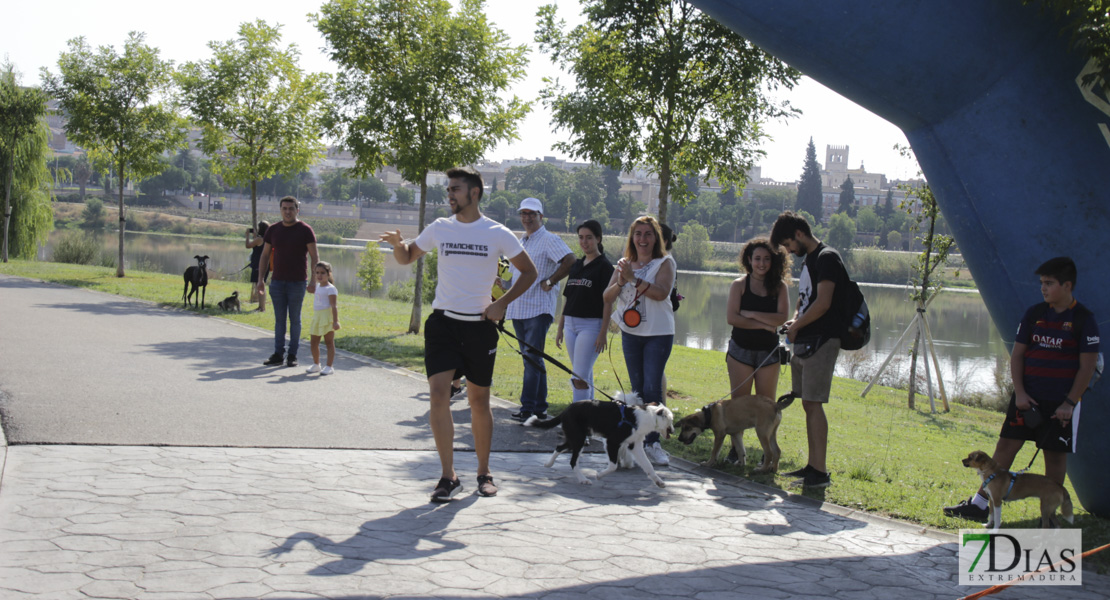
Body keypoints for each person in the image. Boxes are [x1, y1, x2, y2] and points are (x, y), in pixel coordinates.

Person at [380, 166, 537, 502]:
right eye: (448, 190)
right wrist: (397, 245)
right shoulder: (440, 227)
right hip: (443, 325)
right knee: (439, 395)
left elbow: (529, 272)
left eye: (455, 190)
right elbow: (407, 257)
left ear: (474, 193)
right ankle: (448, 476)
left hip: (480, 327)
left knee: (479, 402)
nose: (449, 195)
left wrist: (502, 304)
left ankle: (484, 472)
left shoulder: (497, 233)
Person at [944, 256, 1099, 521]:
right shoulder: (1034, 314)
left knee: (1055, 458)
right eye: (1041, 283)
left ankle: (1050, 516)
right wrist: (1021, 393)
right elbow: (1017, 356)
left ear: (1067, 285)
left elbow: (1087, 368)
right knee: (1004, 448)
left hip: (1061, 404)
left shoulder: (1084, 319)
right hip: (1026, 398)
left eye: (1049, 283)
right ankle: (981, 505)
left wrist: (1069, 404)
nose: (1043, 288)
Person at [770, 211, 850, 488]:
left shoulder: (827, 258)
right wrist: (795, 321)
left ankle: (820, 471)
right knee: (808, 403)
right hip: (806, 339)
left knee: (814, 403)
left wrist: (796, 326)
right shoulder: (811, 262)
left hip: (822, 340)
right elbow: (806, 301)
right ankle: (812, 466)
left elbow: (824, 303)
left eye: (789, 244)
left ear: (799, 235)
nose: (790, 251)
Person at [603, 215, 676, 466]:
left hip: (658, 332)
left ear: (656, 238)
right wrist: (622, 280)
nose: (642, 239)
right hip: (631, 334)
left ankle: (654, 443)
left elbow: (661, 293)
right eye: (638, 234)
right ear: (631, 238)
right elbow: (607, 296)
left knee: (652, 388)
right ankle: (638, 441)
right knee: (637, 390)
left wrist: (634, 279)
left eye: (648, 234)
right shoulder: (624, 264)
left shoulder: (665, 262)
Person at [503, 197, 575, 421]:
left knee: (532, 358)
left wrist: (552, 280)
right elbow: (518, 274)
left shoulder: (548, 239)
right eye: (523, 214)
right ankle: (539, 409)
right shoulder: (522, 241)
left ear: (540, 216)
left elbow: (571, 260)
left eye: (531, 214)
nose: (527, 218)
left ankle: (528, 409)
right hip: (519, 308)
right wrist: (504, 285)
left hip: (537, 308)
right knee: (533, 358)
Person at [724, 238, 792, 464]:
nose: (761, 264)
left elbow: (782, 318)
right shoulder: (738, 285)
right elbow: (732, 318)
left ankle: (768, 454)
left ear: (774, 261)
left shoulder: (780, 287)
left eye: (766, 259)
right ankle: (736, 451)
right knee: (738, 404)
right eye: (757, 259)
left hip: (768, 354)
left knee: (766, 405)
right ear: (749, 260)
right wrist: (764, 324)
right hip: (740, 351)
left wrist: (751, 314)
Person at [555, 220, 615, 402]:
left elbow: (608, 302)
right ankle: (591, 422)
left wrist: (603, 331)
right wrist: (560, 327)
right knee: (583, 375)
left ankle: (577, 423)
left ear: (598, 238)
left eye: (589, 238)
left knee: (578, 378)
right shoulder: (576, 266)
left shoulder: (605, 267)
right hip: (571, 325)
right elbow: (568, 298)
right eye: (581, 237)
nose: (584, 242)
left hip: (591, 326)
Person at [258, 197, 318, 368]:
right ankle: (278, 353)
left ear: (297, 210)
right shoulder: (273, 230)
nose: (288, 211)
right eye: (284, 208)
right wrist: (260, 279)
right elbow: (264, 255)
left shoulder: (306, 230)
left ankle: (292, 355)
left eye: (291, 208)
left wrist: (313, 280)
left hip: (297, 283)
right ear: (280, 210)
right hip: (277, 282)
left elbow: (315, 257)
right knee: (279, 320)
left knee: (295, 320)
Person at [306, 261, 341, 376]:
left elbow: (334, 306)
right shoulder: (317, 287)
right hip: (317, 316)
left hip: (327, 317)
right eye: (317, 273)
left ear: (329, 274)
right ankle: (316, 364)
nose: (319, 275)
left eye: (322, 273)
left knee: (329, 342)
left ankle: (329, 366)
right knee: (313, 342)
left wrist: (335, 321)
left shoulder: (330, 289)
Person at [246, 221, 270, 312]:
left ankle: (262, 307)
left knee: (259, 285)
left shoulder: (259, 239)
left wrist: (247, 235)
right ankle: (261, 306)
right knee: (261, 284)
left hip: (258, 264)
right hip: (266, 264)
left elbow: (248, 245)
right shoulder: (267, 239)